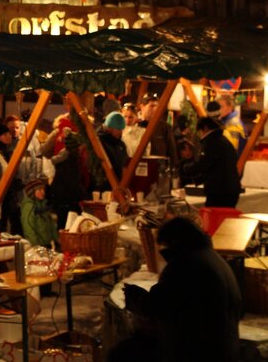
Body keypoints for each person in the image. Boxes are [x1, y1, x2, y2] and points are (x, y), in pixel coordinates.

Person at [113, 218, 241, 362]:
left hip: (198, 350)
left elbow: (159, 306)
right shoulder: (213, 258)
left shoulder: (186, 264)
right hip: (221, 347)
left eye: (164, 247)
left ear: (174, 243)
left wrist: (133, 295)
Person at [181, 116, 242, 207]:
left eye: (200, 131)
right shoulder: (225, 141)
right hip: (231, 189)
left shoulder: (211, 142)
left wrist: (186, 168)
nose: (200, 134)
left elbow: (203, 164)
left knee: (214, 217)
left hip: (219, 191)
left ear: (205, 128)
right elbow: (216, 166)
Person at [20, 178, 59, 249]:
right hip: (38, 246)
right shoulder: (29, 206)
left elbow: (51, 224)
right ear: (32, 192)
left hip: (47, 244)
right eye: (39, 190)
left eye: (43, 189)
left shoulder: (43, 205)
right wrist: (35, 245)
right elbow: (28, 226)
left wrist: (57, 240)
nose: (43, 192)